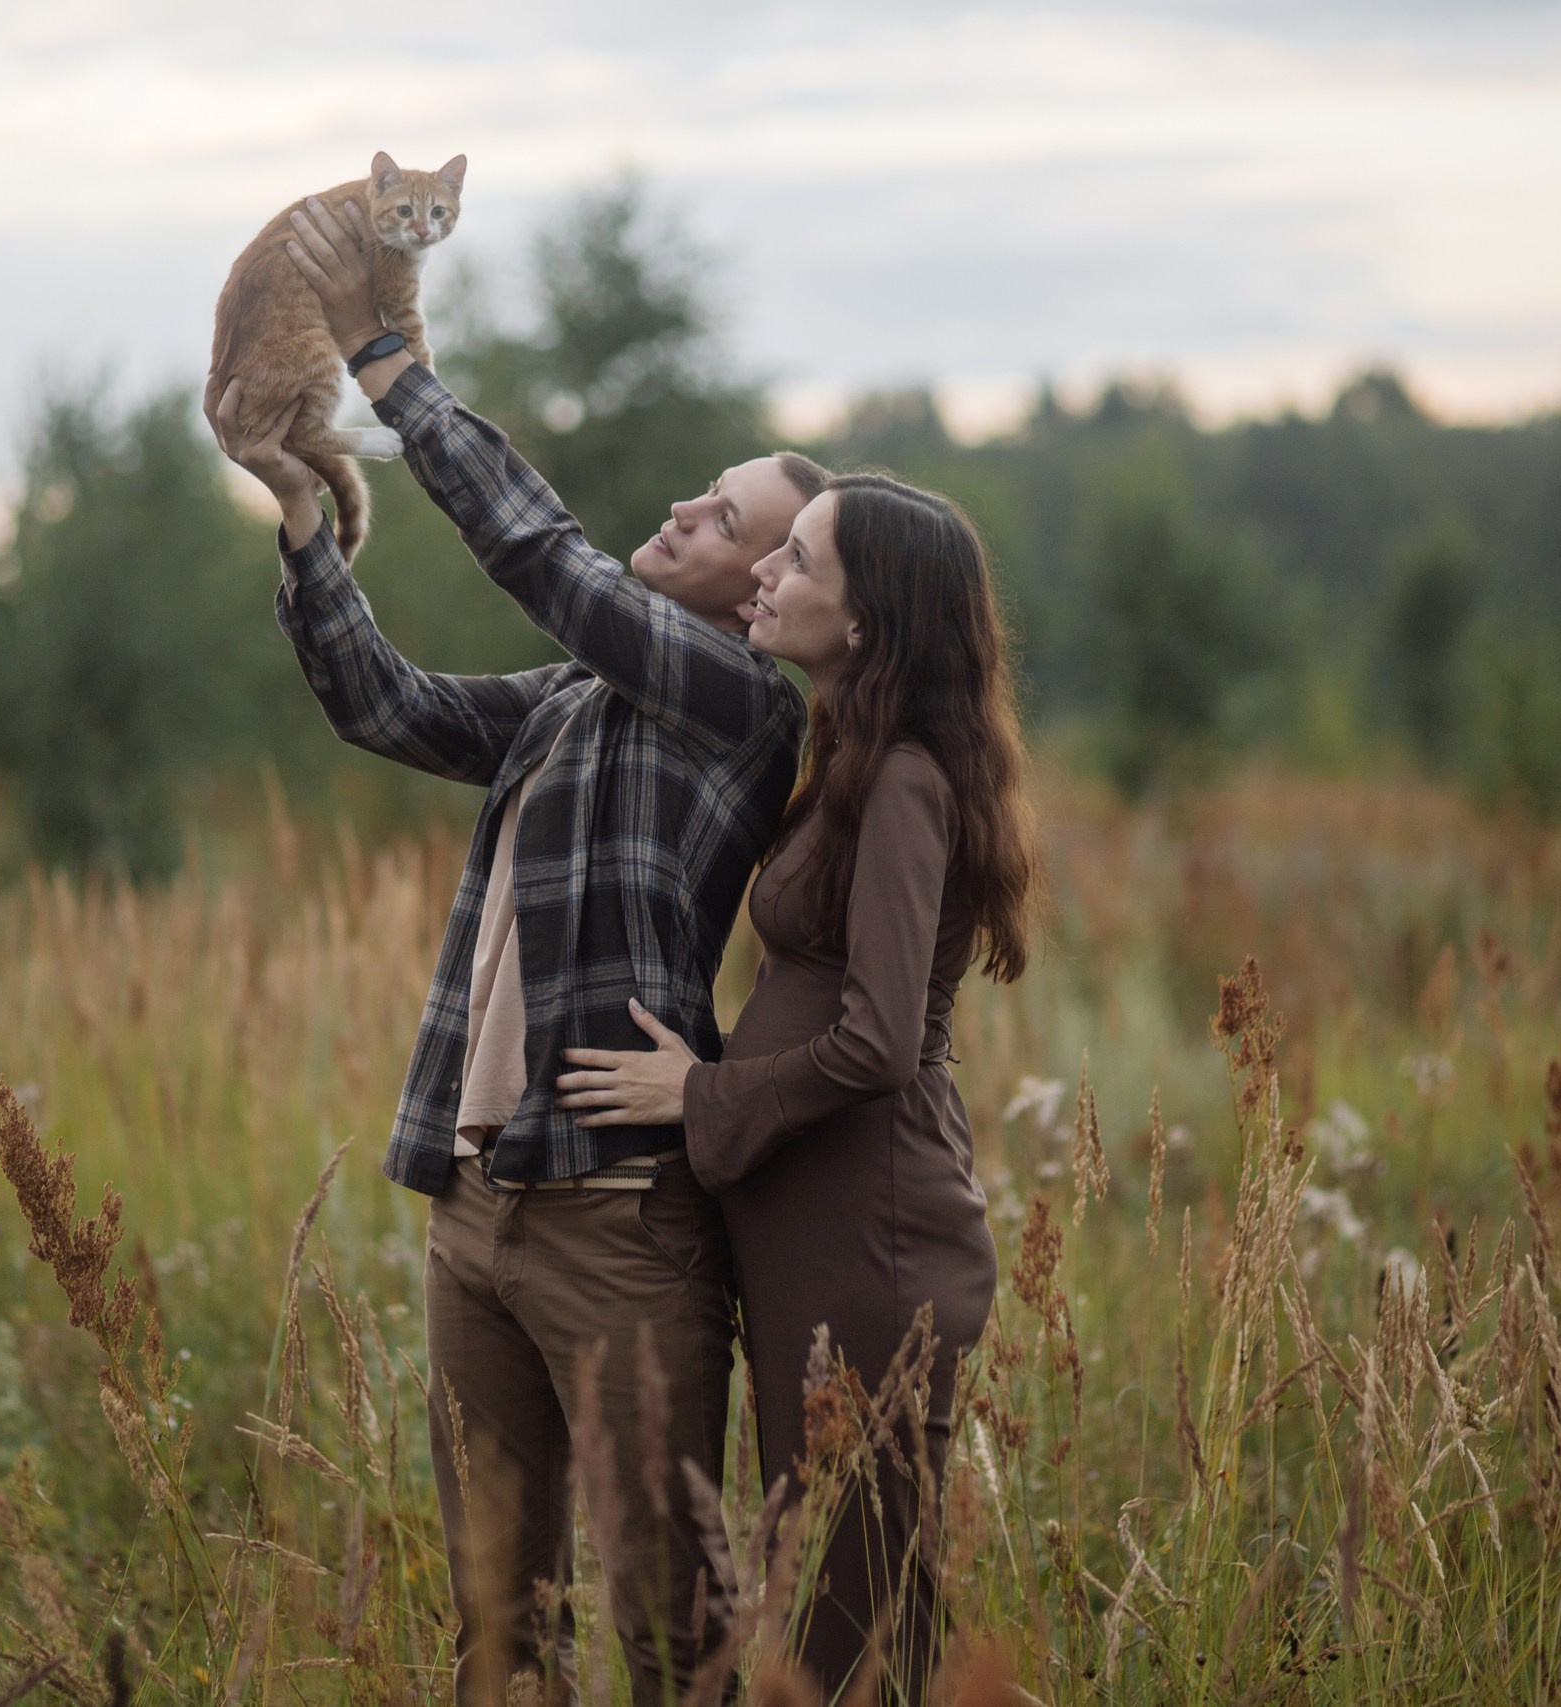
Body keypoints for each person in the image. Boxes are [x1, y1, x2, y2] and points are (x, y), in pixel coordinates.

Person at [211, 193, 828, 1705]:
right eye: (704, 490)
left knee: (672, 1630)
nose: (688, 509)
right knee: (501, 1628)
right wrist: (300, 504)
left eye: (727, 519)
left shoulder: (741, 711)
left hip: (618, 1226)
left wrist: (389, 365)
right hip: (473, 1212)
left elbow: (543, 554)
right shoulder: (570, 700)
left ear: (758, 589)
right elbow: (385, 705)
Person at [556, 474, 1040, 1702]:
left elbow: (878, 1040)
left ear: (866, 619)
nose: (765, 573)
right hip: (817, 1235)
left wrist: (699, 1095)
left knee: (855, 1616)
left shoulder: (904, 783)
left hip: (869, 1246)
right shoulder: (853, 761)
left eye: (800, 563)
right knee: (834, 1593)